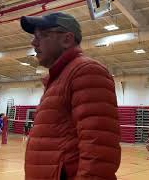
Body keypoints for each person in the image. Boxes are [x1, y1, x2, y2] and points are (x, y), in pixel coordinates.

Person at [20, 12, 121, 180]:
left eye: (42, 35)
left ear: (67, 39)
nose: (34, 42)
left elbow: (98, 150)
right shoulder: (58, 79)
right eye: (34, 36)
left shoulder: (87, 71)